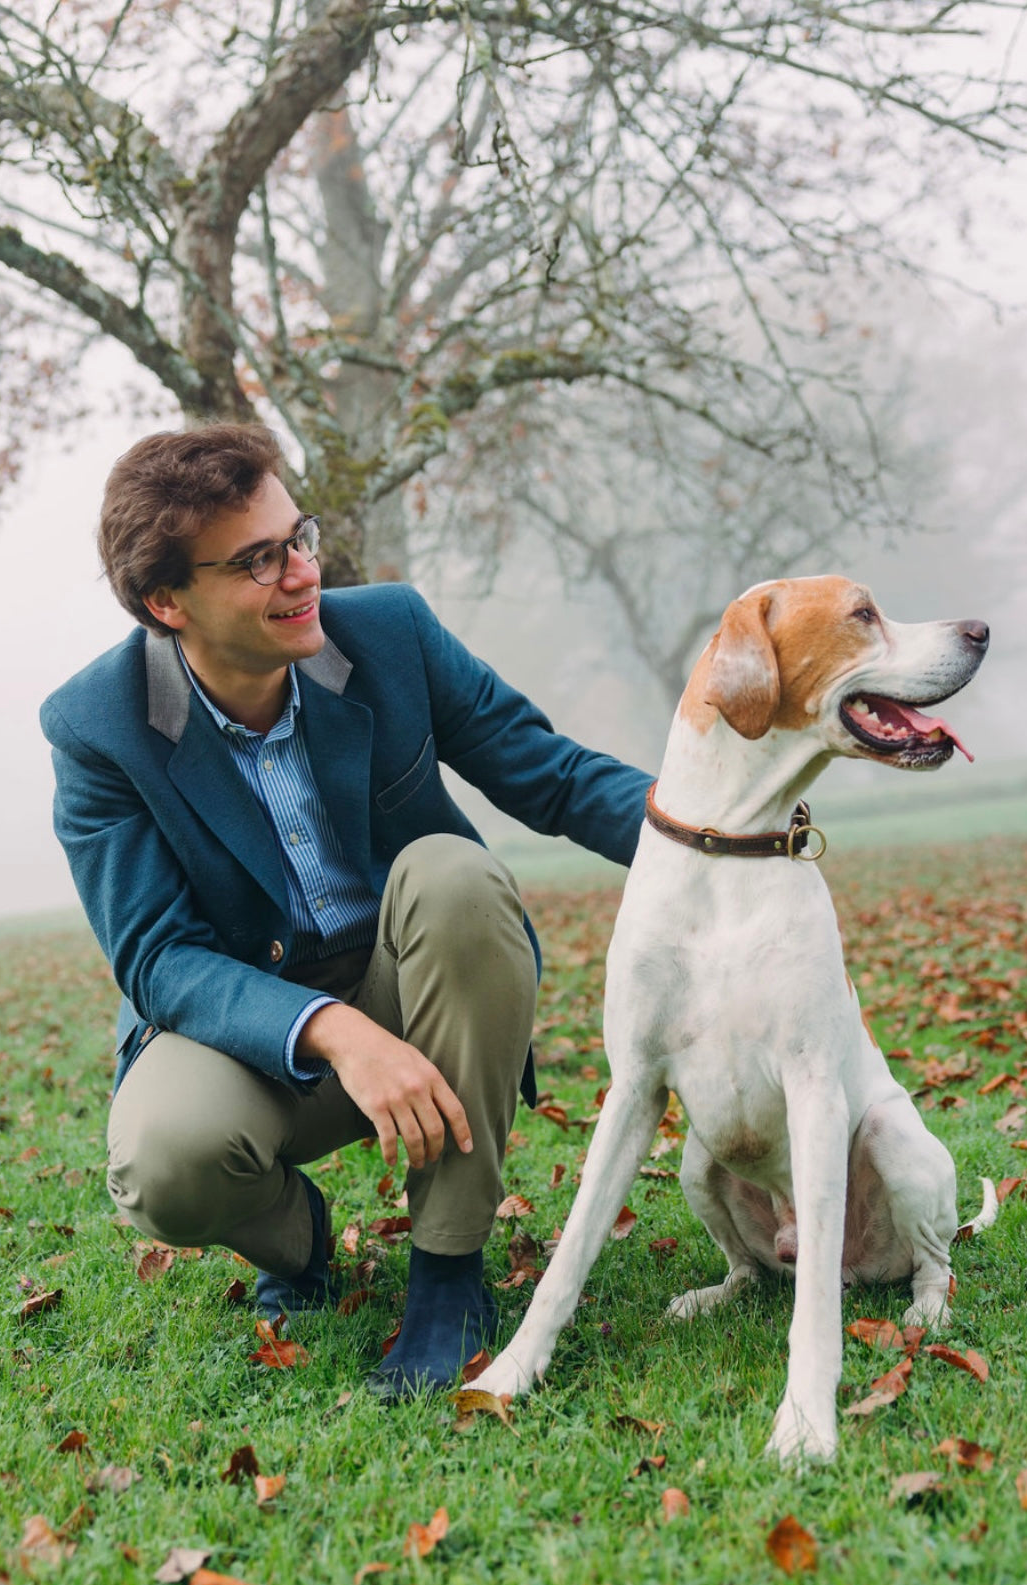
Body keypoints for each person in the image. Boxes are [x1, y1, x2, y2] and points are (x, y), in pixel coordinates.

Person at [40, 424, 652, 1398]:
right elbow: (156, 957)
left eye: (300, 536)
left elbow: (552, 775)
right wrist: (332, 1031)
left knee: (451, 874)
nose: (300, 573)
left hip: (419, 978)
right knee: (164, 1161)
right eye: (258, 560)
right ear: (168, 601)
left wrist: (723, 830)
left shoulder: (390, 634)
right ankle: (304, 1246)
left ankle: (450, 1275)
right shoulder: (99, 727)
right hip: (253, 1027)